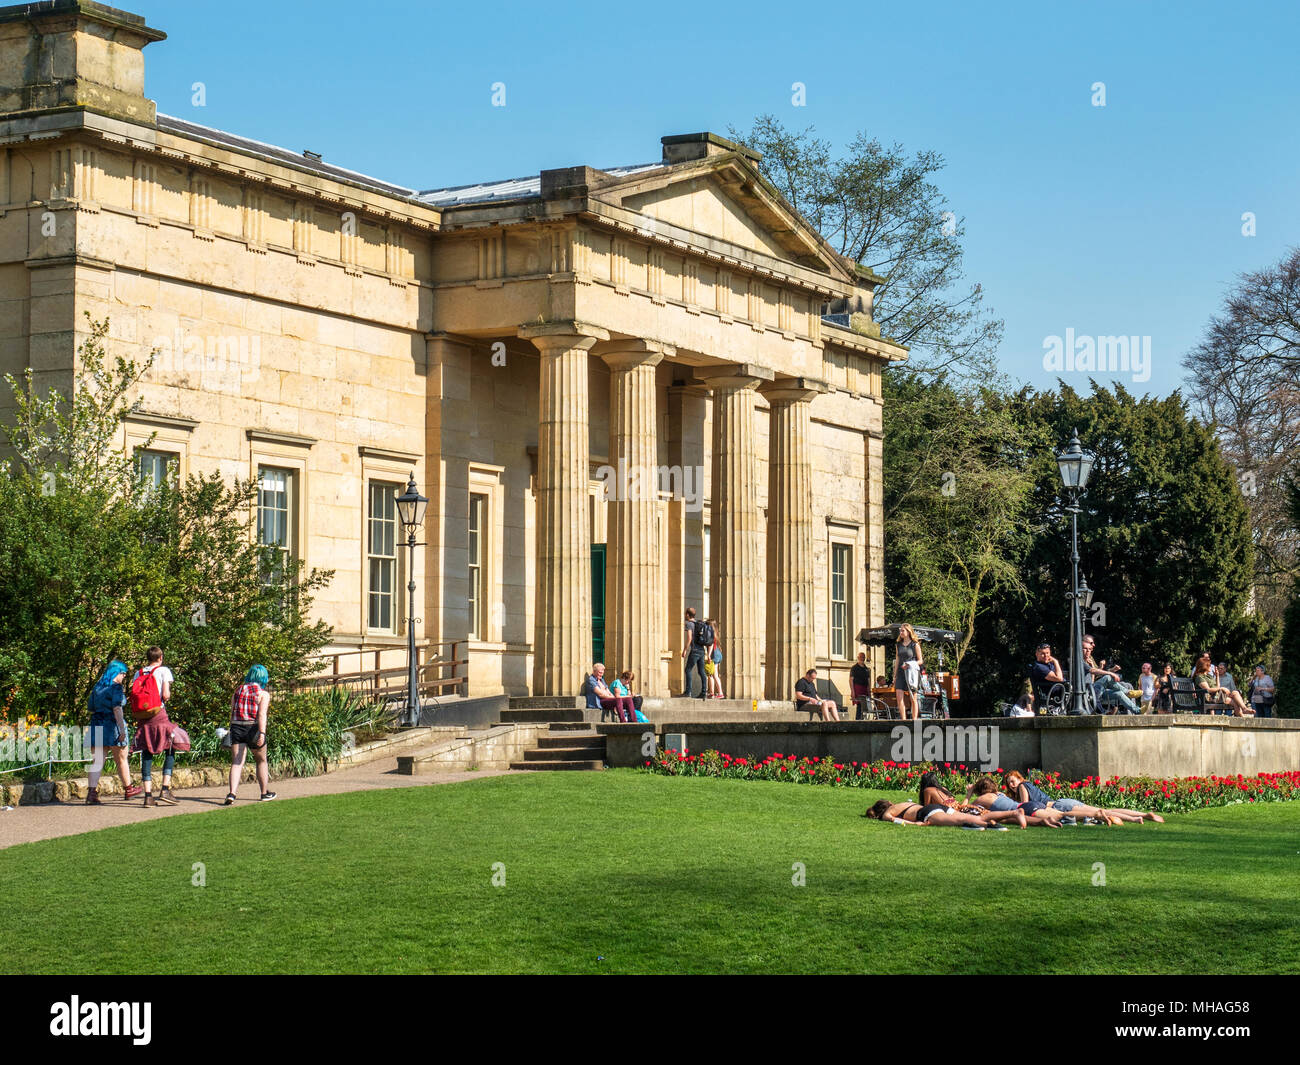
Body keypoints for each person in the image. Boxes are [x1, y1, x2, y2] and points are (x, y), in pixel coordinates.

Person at [1004, 770, 1164, 824]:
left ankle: (1135, 819)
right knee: (1105, 809)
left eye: (1013, 781)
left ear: (1019, 778)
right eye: (1009, 783)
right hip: (1065, 802)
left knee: (1102, 812)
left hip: (1058, 807)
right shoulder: (1029, 784)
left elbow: (1024, 805)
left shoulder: (1022, 786)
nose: (1012, 785)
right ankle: (1142, 815)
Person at [85, 660, 142, 805]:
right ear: (117, 673)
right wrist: (122, 729)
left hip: (97, 724)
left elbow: (91, 707)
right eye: (123, 674)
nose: (124, 677)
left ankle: (91, 793)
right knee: (121, 759)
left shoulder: (97, 687)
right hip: (112, 725)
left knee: (97, 761)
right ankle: (129, 789)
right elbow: (117, 708)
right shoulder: (116, 688)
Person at [130, 646, 177, 807]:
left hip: (143, 716)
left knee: (146, 751)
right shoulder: (164, 671)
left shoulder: (139, 673)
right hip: (158, 713)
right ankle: (165, 789)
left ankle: (148, 796)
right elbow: (166, 695)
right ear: (160, 657)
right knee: (171, 746)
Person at [227, 664, 276, 803]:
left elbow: (232, 712)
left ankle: (232, 793)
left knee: (237, 762)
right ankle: (264, 792)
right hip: (253, 728)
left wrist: (231, 730)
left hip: (237, 727)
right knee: (261, 760)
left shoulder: (238, 691)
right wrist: (262, 733)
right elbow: (261, 715)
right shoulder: (262, 694)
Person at [919, 771, 1027, 827]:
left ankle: (1015, 815)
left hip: (957, 811)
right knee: (989, 816)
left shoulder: (928, 790)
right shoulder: (943, 789)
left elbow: (927, 809)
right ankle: (1025, 817)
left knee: (987, 817)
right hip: (961, 808)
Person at [1082, 635, 1139, 714]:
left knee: (1119, 693)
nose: (1089, 650)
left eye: (1090, 649)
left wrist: (1110, 670)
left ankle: (1137, 710)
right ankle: (1128, 692)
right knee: (1108, 677)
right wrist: (1110, 672)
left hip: (1094, 688)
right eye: (1086, 648)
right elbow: (1094, 671)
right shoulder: (1078, 660)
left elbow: (1095, 676)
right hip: (1088, 691)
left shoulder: (1090, 659)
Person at [864, 798, 997, 829]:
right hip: (935, 807)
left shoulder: (886, 814)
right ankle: (1010, 815)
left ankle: (986, 825)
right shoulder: (900, 804)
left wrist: (916, 824)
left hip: (927, 812)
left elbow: (897, 821)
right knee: (970, 817)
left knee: (957, 822)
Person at [680, 608, 711, 700]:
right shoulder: (699, 623)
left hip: (694, 651)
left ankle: (688, 691)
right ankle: (704, 692)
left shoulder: (689, 624)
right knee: (701, 672)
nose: (685, 616)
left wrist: (685, 649)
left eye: (685, 614)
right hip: (702, 650)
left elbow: (689, 638)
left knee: (688, 670)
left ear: (688, 615)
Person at [894, 624, 923, 721]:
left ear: (908, 632)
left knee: (913, 697)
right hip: (901, 673)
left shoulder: (915, 644)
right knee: (899, 696)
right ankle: (904, 719)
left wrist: (910, 664)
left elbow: (920, 661)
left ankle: (914, 719)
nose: (901, 633)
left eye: (903, 631)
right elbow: (897, 659)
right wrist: (895, 675)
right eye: (900, 631)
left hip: (912, 673)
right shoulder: (898, 644)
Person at [705, 618, 725, 699]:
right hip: (718, 654)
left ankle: (720, 692)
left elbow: (711, 645)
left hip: (714, 655)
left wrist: (709, 655)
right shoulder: (715, 633)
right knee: (711, 674)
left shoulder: (710, 634)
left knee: (715, 675)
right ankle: (711, 692)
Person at [849, 651, 872, 719]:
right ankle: (858, 719)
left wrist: (869, 690)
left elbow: (868, 680)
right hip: (857, 688)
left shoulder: (866, 669)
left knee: (865, 705)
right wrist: (852, 691)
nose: (862, 658)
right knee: (859, 704)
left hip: (865, 688)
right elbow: (851, 680)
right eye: (861, 657)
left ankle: (862, 719)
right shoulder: (854, 668)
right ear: (858, 658)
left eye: (863, 657)